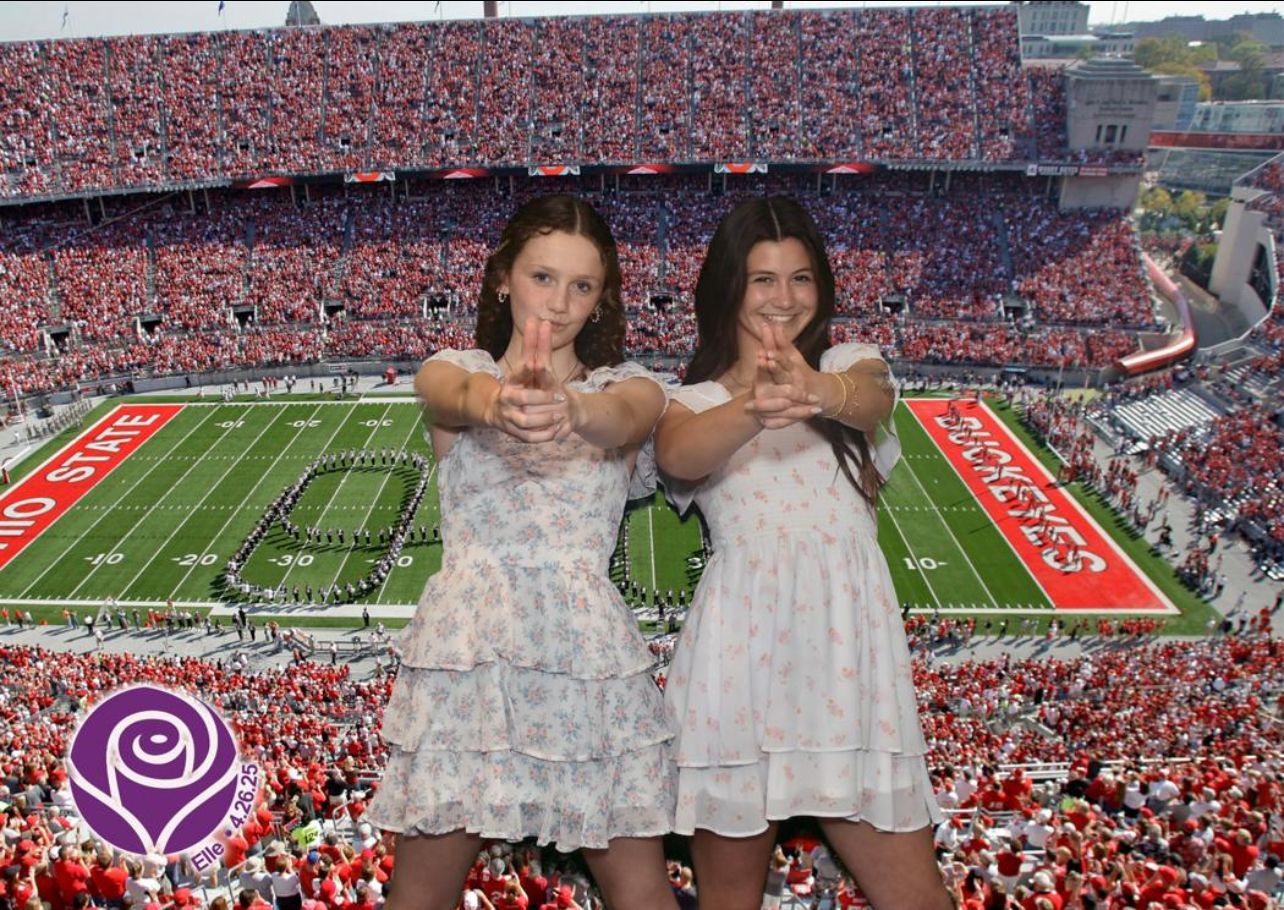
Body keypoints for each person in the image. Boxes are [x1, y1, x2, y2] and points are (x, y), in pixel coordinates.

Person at [363, 195, 676, 910]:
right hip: (468, 660)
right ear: (502, 277)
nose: (559, 303)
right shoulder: (458, 369)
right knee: (419, 898)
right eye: (542, 277)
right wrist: (493, 402)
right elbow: (442, 388)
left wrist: (573, 410)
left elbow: (626, 415)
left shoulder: (630, 387)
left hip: (587, 661)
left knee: (643, 895)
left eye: (581, 286)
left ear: (602, 301)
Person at [655, 196, 951, 910]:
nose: (783, 298)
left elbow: (872, 399)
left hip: (851, 669)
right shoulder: (689, 400)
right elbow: (678, 456)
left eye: (801, 278)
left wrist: (813, 389)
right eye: (762, 279)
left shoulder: (849, 364)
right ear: (729, 285)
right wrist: (756, 403)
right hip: (738, 674)